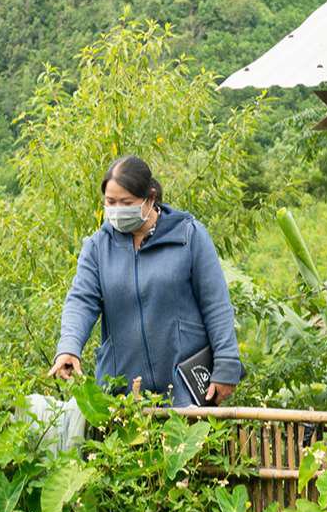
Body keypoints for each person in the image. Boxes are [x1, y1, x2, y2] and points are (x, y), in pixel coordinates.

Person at [49, 155, 242, 406]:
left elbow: (216, 304)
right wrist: (69, 347)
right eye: (110, 202)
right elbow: (81, 301)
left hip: (185, 390)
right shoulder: (98, 247)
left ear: (150, 199)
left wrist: (227, 366)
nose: (117, 209)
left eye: (126, 202)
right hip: (123, 395)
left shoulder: (188, 235)